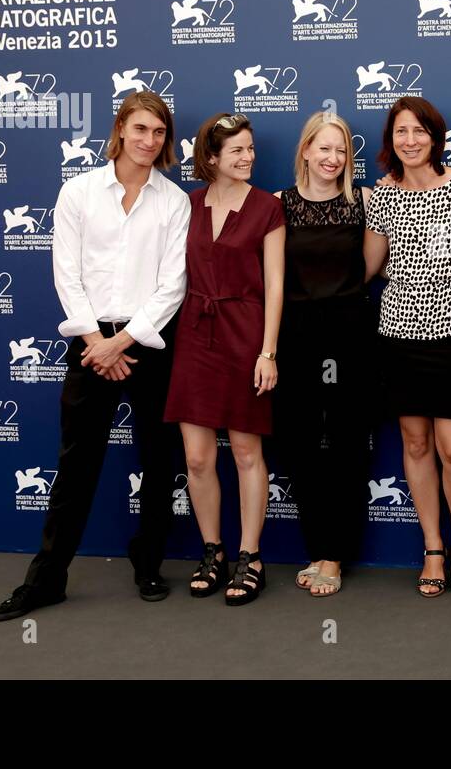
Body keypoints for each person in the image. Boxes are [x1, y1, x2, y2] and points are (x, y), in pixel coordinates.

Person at [0, 90, 191, 621]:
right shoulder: (78, 192)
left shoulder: (174, 201)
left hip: (146, 343)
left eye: (160, 132)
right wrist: (94, 342)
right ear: (121, 129)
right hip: (89, 344)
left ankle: (148, 561)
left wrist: (121, 342)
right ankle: (47, 577)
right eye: (141, 129)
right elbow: (67, 273)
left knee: (157, 458)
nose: (150, 141)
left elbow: (173, 285)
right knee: (76, 462)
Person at [364, 97, 451, 597]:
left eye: (419, 131)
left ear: (435, 137)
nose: (410, 140)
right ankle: (433, 546)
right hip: (398, 334)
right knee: (415, 443)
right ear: (390, 140)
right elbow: (369, 267)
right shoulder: (383, 197)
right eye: (400, 132)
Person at [164, 113, 285, 606]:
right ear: (210, 158)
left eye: (251, 148)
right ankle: (211, 550)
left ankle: (249, 555)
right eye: (237, 150)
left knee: (245, 453)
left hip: (245, 334)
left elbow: (276, 284)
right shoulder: (186, 205)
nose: (248, 157)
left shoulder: (267, 208)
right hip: (194, 333)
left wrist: (268, 351)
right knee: (195, 456)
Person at [274, 112, 373, 598]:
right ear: (306, 151)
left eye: (342, 150)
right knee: (302, 445)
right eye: (325, 148)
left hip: (351, 334)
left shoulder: (365, 203)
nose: (333, 158)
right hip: (295, 338)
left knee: (348, 445)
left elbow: (370, 268)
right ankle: (317, 546)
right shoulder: (278, 205)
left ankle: (335, 556)